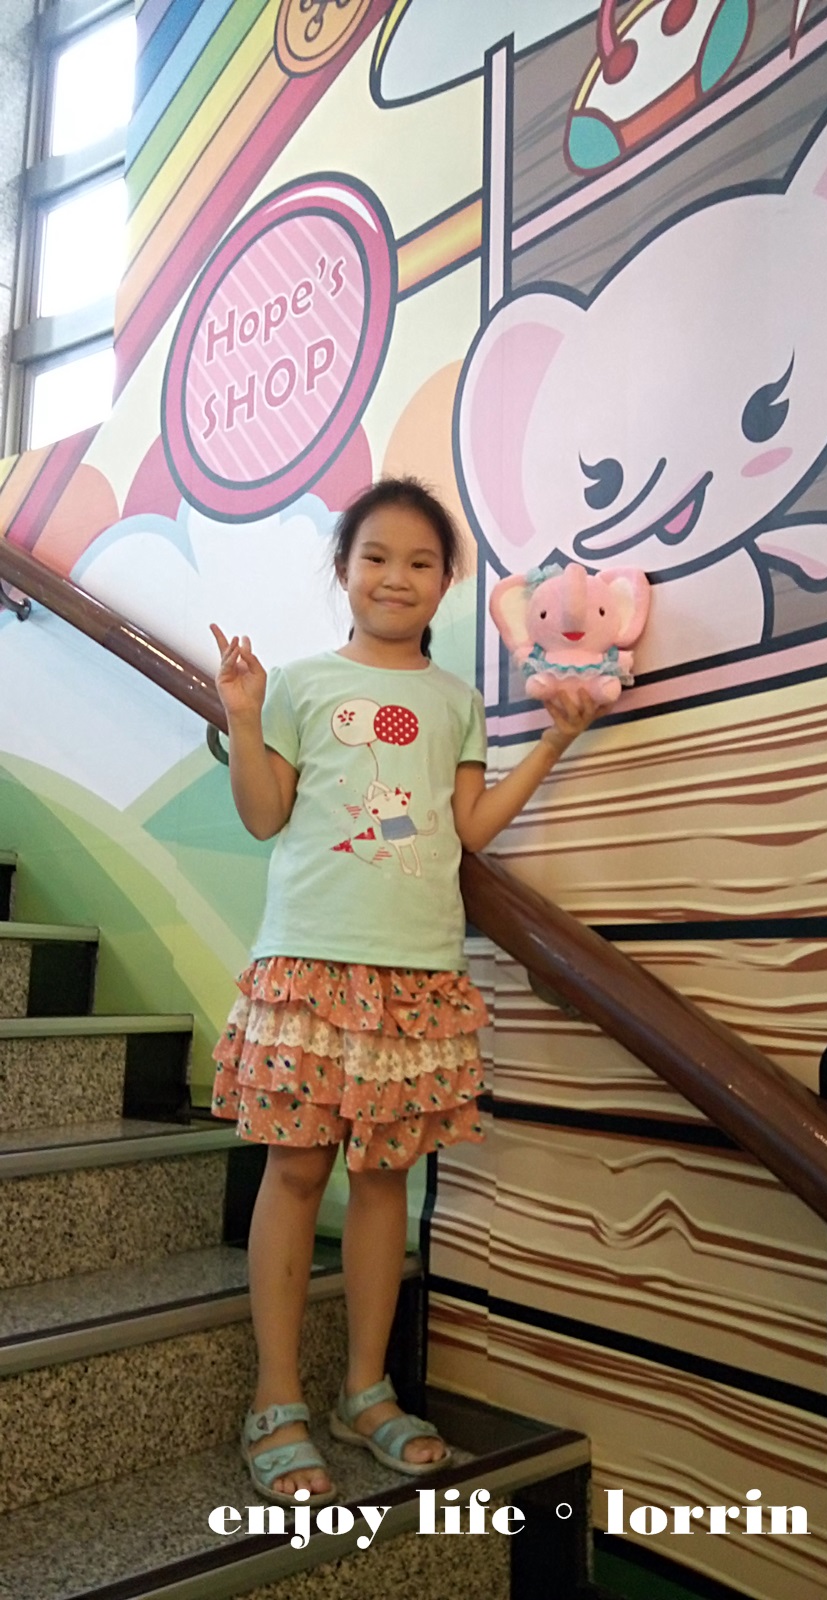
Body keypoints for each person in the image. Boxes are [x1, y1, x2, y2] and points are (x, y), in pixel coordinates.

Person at [210, 477, 598, 1507]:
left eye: (420, 562)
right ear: (343, 569)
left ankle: (365, 1393)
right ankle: (276, 1399)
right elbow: (262, 815)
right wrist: (243, 718)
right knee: (297, 1171)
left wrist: (553, 740)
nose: (396, 576)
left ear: (444, 582)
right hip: (308, 961)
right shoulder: (298, 683)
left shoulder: (457, 701)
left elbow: (470, 830)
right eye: (375, 556)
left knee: (386, 1180)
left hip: (417, 973)